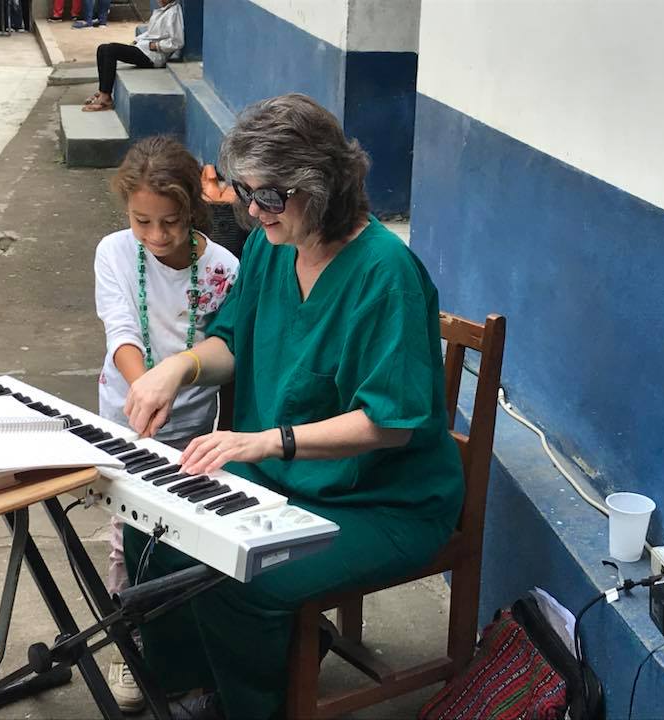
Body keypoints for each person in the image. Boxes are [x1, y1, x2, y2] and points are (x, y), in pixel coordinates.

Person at [121, 94, 465, 720]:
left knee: (240, 578)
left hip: (383, 501)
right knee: (157, 523)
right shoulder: (272, 245)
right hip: (289, 476)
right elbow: (232, 338)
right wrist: (177, 368)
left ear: (323, 186)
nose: (252, 213)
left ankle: (253, 703)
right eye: (244, 193)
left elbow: (386, 425)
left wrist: (263, 441)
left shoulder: (385, 273)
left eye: (270, 197)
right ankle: (188, 687)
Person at [94, 135, 239, 713]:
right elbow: (121, 331)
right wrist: (143, 388)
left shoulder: (225, 268)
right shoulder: (113, 252)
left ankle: (183, 653)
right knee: (123, 542)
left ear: (194, 213)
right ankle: (129, 648)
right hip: (124, 419)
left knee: (182, 546)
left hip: (193, 431)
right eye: (142, 221)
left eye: (171, 223)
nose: (156, 236)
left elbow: (222, 353)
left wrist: (174, 386)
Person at [81, 0, 183, 112]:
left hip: (152, 56)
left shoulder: (173, 13)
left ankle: (106, 98)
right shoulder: (161, 11)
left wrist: (157, 46)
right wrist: (137, 40)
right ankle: (102, 92)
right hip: (143, 48)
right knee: (102, 48)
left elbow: (177, 42)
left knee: (111, 50)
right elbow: (151, 32)